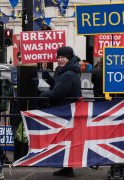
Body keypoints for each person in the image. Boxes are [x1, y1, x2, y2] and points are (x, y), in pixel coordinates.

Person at [40, 46, 82, 177]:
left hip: (65, 110)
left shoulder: (68, 74)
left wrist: (42, 95)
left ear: (68, 58)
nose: (60, 60)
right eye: (58, 57)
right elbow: (57, 85)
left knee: (65, 140)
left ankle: (68, 168)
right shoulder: (66, 71)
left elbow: (57, 93)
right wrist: (47, 75)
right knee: (66, 140)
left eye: (62, 57)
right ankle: (67, 168)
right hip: (66, 110)